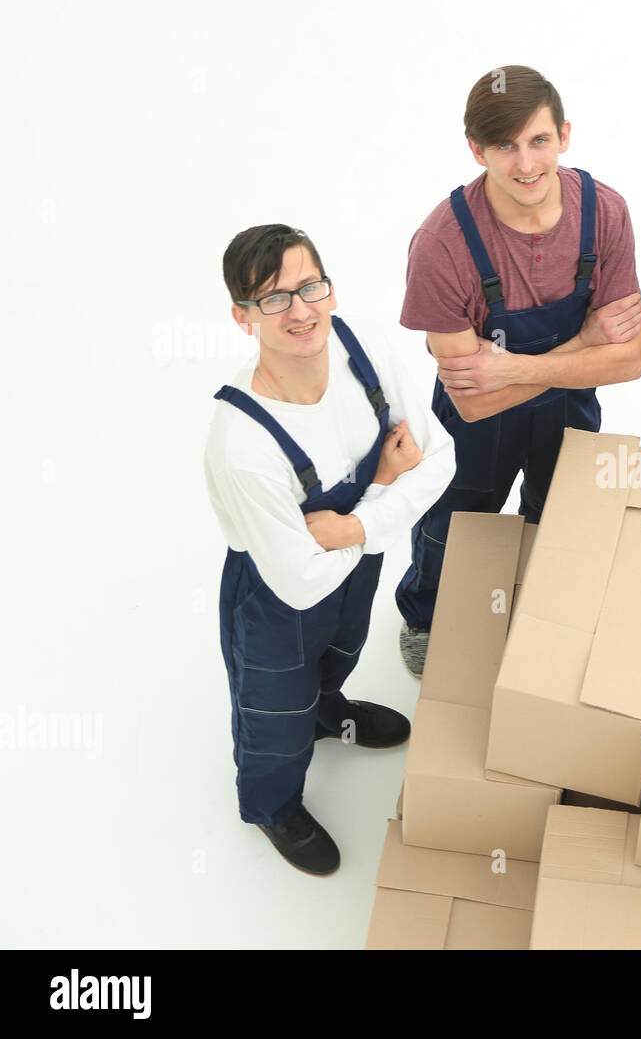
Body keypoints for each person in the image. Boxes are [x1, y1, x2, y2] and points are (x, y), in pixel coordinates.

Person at [205, 225, 455, 875]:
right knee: (274, 714)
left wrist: (357, 522)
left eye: (309, 285)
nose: (301, 310)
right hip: (274, 592)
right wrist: (384, 496)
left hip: (348, 560)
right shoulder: (243, 446)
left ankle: (330, 715)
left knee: (344, 645)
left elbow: (440, 460)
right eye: (273, 298)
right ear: (243, 316)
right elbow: (298, 581)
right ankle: (273, 805)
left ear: (330, 286)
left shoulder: (363, 351)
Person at [395, 65, 641, 675]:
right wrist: (584, 344)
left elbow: (631, 360)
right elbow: (475, 401)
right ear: (476, 150)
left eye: (538, 141)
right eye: (505, 146)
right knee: (453, 521)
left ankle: (536, 609)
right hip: (480, 426)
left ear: (564, 134)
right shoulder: (442, 244)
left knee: (558, 511)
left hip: (569, 407)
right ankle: (425, 615)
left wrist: (509, 369)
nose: (526, 163)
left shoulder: (604, 214)